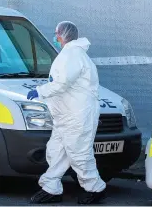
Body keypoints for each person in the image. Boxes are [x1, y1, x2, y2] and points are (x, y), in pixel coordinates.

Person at [27, 21, 106, 205]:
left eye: (57, 33)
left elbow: (62, 83)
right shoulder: (71, 54)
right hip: (66, 116)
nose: (55, 37)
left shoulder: (72, 54)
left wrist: (40, 91)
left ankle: (95, 188)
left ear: (64, 35)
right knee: (56, 151)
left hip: (77, 116)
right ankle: (51, 188)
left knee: (79, 154)